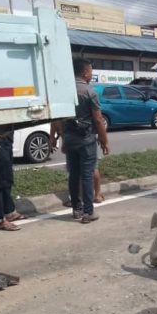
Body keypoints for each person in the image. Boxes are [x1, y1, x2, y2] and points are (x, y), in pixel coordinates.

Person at [60, 58, 110, 223]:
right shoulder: (90, 92)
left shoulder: (65, 91)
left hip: (70, 138)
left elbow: (60, 119)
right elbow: (98, 119)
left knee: (74, 174)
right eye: (90, 72)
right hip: (86, 139)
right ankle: (88, 212)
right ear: (85, 72)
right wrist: (104, 140)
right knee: (87, 174)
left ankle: (77, 209)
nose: (91, 75)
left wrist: (64, 139)